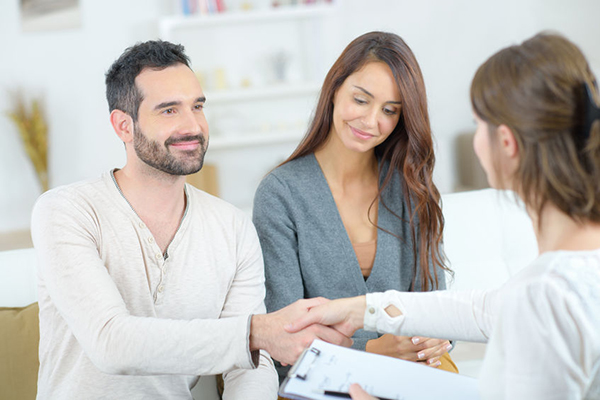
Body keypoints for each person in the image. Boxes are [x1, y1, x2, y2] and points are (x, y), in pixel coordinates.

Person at [30, 40, 351, 399]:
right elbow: (110, 342)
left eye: (197, 106)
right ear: (124, 126)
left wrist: (253, 342)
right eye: (169, 111)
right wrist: (255, 332)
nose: (193, 126)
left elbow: (250, 365)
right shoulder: (65, 211)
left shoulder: (232, 227)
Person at [287, 32, 600, 399]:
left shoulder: (544, 294)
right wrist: (363, 309)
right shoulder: (561, 278)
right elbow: (480, 310)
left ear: (506, 143)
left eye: (477, 123)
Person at [252, 30, 456, 385]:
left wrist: (436, 338)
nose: (372, 121)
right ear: (334, 90)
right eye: (361, 100)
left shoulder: (411, 189)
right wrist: (375, 350)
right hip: (326, 383)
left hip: (416, 378)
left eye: (390, 111)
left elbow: (439, 305)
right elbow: (282, 335)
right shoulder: (280, 194)